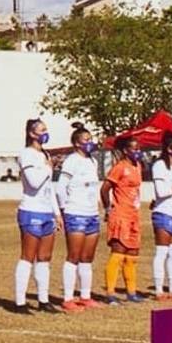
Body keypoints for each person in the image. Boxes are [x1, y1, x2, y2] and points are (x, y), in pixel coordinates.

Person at [13, 118, 62, 314]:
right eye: (41, 130)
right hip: (31, 210)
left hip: (46, 212)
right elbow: (34, 182)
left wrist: (56, 213)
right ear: (32, 133)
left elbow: (49, 188)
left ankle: (43, 299)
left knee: (45, 257)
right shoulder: (27, 154)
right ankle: (20, 301)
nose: (45, 133)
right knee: (28, 256)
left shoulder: (45, 155)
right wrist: (48, 167)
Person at [55, 123, 103, 311]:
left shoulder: (93, 161)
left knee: (87, 257)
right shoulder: (71, 161)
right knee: (73, 256)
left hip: (92, 214)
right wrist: (64, 209)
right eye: (85, 140)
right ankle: (68, 298)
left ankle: (85, 295)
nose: (89, 143)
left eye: (90, 140)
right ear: (76, 143)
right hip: (76, 213)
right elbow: (61, 187)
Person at [101, 136, 145, 304]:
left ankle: (131, 292)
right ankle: (110, 294)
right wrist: (108, 209)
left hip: (134, 216)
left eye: (139, 149)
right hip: (120, 215)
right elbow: (104, 189)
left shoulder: (138, 166)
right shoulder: (119, 167)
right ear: (126, 150)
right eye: (134, 149)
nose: (138, 152)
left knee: (132, 255)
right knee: (118, 253)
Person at [152, 132, 172, 302]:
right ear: (168, 148)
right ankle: (158, 290)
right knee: (162, 252)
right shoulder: (159, 165)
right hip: (163, 213)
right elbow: (160, 192)